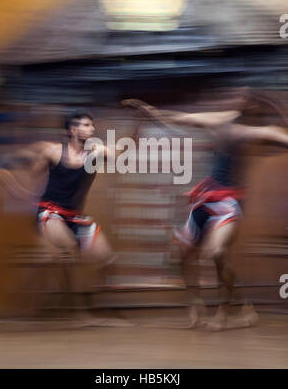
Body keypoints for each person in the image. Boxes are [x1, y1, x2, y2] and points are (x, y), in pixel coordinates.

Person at [122, 92, 288, 331]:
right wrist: (148, 110)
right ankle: (196, 303)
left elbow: (280, 135)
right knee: (183, 253)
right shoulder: (220, 120)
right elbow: (180, 118)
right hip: (206, 195)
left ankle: (224, 311)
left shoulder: (258, 131)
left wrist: (280, 112)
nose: (239, 101)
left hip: (230, 202)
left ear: (256, 107)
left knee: (217, 251)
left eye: (247, 100)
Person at [0, 109, 120, 325]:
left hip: (75, 216)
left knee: (106, 257)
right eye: (86, 125)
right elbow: (29, 168)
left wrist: (137, 130)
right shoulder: (52, 151)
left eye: (92, 125)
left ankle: (73, 295)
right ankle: (78, 312)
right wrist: (11, 177)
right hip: (50, 212)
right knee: (69, 252)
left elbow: (120, 153)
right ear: (72, 130)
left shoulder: (96, 151)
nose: (91, 128)